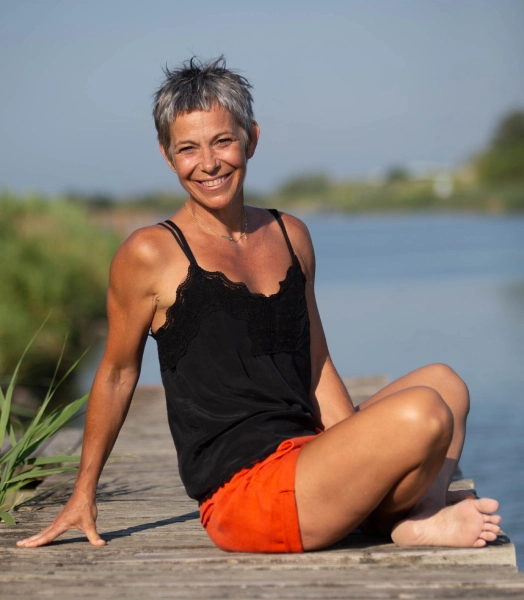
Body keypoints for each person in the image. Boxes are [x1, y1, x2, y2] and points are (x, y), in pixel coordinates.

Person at [17, 57, 501, 553]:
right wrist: (83, 493)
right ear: (168, 156)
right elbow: (117, 375)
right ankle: (408, 520)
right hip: (246, 492)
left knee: (446, 384)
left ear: (251, 137)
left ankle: (410, 518)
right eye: (188, 149)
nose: (208, 163)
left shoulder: (291, 235)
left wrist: (358, 452)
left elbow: (315, 366)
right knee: (422, 412)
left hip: (310, 458)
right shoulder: (149, 253)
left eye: (222, 141)